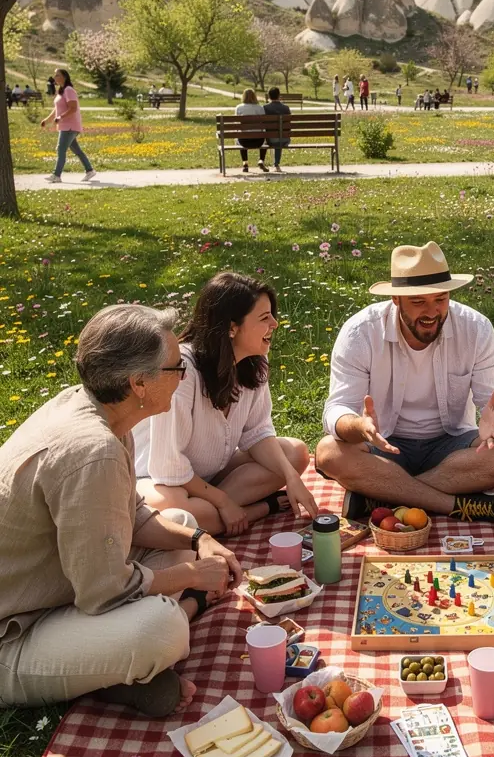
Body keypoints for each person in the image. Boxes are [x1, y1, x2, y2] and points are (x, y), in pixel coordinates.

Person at [0, 304, 243, 717]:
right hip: (17, 632)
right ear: (139, 383)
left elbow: (135, 517)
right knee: (163, 629)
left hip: (62, 588)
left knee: (182, 523)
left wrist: (200, 540)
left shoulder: (105, 416)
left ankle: (109, 673)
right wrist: (189, 575)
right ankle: (112, 672)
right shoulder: (94, 452)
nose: (183, 376)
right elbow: (103, 590)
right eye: (175, 368)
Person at [315, 242, 494, 526]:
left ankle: (383, 497)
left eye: (441, 299)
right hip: (384, 445)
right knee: (328, 452)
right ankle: (456, 505)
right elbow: (337, 408)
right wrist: (358, 427)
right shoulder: (361, 332)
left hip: (451, 447)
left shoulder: (476, 328)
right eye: (419, 302)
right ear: (396, 300)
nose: (432, 312)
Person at [135, 272, 317, 536]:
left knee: (295, 453)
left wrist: (291, 477)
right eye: (265, 318)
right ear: (232, 327)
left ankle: (214, 515)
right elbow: (168, 466)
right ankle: (258, 509)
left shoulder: (254, 364)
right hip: (160, 480)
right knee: (176, 511)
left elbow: (258, 434)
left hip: (212, 476)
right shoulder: (182, 372)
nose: (275, 324)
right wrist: (223, 501)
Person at [41, 68, 96, 183]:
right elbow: (57, 109)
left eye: (57, 75)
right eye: (55, 75)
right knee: (76, 150)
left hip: (70, 125)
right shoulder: (61, 90)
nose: (55, 78)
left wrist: (60, 117)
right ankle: (90, 170)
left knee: (61, 149)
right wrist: (47, 120)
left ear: (64, 77)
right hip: (65, 125)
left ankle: (56, 175)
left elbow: (73, 108)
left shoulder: (69, 90)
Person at [234, 88, 268, 173]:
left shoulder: (239, 108)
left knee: (241, 134)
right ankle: (261, 160)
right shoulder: (260, 108)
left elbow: (236, 124)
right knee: (264, 137)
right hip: (258, 141)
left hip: (244, 141)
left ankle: (245, 163)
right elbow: (264, 123)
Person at [262, 86, 292, 173]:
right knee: (280, 135)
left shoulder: (265, 108)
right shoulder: (286, 108)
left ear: (269, 96)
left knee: (273, 137)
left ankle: (263, 161)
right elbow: (289, 125)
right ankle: (276, 164)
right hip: (285, 139)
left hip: (270, 139)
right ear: (279, 95)